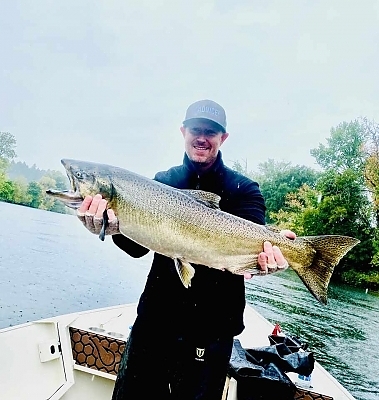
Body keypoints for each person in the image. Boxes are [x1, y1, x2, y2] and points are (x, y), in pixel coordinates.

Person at [77, 99, 296, 400]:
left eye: (211, 131)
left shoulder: (244, 189)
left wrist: (271, 257)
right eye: (196, 129)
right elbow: (136, 248)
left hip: (212, 332)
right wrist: (109, 227)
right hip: (154, 323)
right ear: (183, 131)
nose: (202, 137)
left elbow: (256, 243)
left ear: (224, 138)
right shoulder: (162, 182)